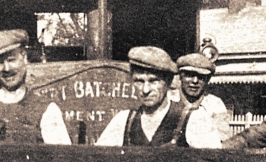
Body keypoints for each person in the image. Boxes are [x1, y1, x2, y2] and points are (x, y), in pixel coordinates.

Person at [95, 48, 228, 148]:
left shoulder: (194, 119)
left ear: (168, 82)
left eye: (153, 81)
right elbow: (98, 160)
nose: (145, 90)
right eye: (139, 81)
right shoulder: (124, 120)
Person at [0, 29, 72, 144]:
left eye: (11, 60)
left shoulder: (46, 110)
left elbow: (61, 154)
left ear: (24, 58)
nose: (7, 68)